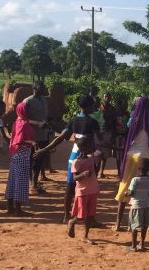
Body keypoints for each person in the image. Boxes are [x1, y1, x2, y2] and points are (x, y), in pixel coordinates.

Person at [35, 95, 105, 223]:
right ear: (89, 106)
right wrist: (108, 150)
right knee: (89, 186)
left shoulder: (73, 120)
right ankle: (90, 218)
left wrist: (44, 150)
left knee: (70, 185)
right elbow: (100, 141)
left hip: (74, 156)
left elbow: (60, 137)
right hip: (88, 156)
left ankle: (66, 215)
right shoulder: (92, 122)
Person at [113, 96, 149, 232]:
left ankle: (117, 223)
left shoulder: (133, 120)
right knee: (148, 190)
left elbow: (127, 134)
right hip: (146, 157)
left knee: (124, 187)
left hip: (132, 157)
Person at [66, 136, 104, 244]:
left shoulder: (90, 158)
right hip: (82, 191)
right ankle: (72, 222)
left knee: (91, 215)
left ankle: (85, 236)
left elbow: (95, 167)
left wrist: (98, 160)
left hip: (92, 189)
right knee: (81, 215)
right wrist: (82, 174)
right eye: (90, 146)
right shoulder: (76, 162)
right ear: (83, 148)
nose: (92, 147)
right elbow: (74, 178)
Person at [5, 102, 35, 216]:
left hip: (15, 154)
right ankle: (18, 209)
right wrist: (32, 142)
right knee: (21, 182)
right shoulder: (25, 124)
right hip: (22, 155)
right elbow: (21, 140)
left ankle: (10, 208)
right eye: (28, 110)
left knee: (12, 181)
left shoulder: (16, 122)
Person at [24, 81, 50, 193]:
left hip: (43, 135)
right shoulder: (27, 101)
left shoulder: (44, 100)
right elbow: (22, 119)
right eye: (41, 86)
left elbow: (45, 116)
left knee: (40, 160)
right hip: (32, 136)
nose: (44, 88)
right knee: (31, 159)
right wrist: (37, 123)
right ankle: (32, 184)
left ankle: (34, 183)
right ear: (34, 88)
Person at [126, 157, 149, 252]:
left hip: (136, 206)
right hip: (146, 206)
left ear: (138, 168)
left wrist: (126, 193)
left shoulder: (135, 180)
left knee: (134, 227)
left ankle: (133, 246)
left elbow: (131, 193)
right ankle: (141, 244)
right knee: (144, 226)